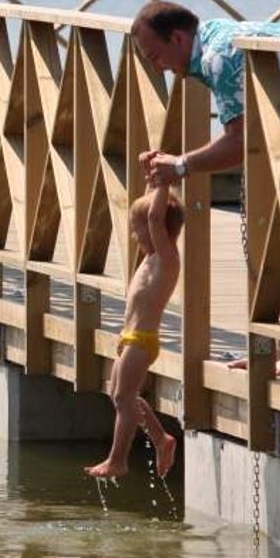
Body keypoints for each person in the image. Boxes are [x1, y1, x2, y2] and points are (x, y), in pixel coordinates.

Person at [131, 1, 280, 374]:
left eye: (155, 56)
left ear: (178, 37)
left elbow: (240, 140)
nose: (156, 67)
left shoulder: (219, 57)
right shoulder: (217, 38)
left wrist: (180, 165)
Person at [85, 181, 182, 479]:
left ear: (159, 229)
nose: (134, 233)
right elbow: (153, 212)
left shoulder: (167, 258)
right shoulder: (153, 258)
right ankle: (161, 438)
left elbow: (154, 217)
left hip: (141, 341)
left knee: (124, 399)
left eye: (137, 228)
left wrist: (166, 180)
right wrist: (153, 179)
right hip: (129, 339)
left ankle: (118, 460)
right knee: (119, 395)